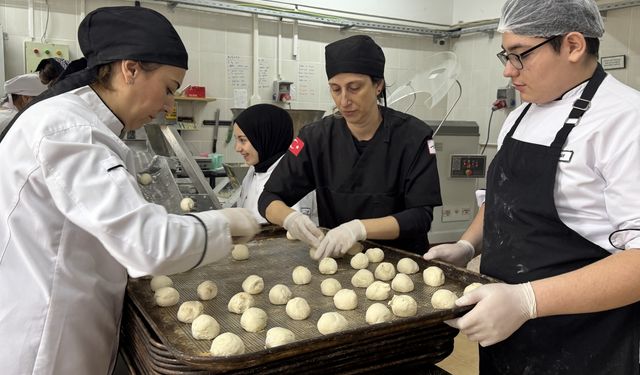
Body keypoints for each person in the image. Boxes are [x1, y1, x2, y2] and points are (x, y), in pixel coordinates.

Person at [0, 6, 259, 374]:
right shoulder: (68, 132)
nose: (169, 106)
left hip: (72, 321)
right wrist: (226, 222)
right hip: (46, 341)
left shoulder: (82, 125)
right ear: (131, 69)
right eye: (168, 89)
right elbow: (147, 244)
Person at [424, 0, 640, 373]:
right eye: (505, 55)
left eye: (520, 55)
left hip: (587, 343)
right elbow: (503, 202)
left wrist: (526, 301)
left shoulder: (626, 120)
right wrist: (466, 245)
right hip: (507, 335)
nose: (509, 70)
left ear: (573, 45)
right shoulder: (520, 115)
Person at [258, 35, 442, 259]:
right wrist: (290, 218)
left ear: (378, 85)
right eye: (335, 89)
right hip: (340, 264)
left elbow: (420, 217)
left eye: (354, 88)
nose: (344, 100)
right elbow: (268, 198)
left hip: (401, 263)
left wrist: (358, 229)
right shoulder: (315, 138)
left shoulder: (414, 137)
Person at [233, 103, 317, 224]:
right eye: (236, 140)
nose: (237, 148)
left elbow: (293, 234)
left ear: (265, 137)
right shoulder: (254, 171)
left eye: (243, 140)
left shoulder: (293, 176)